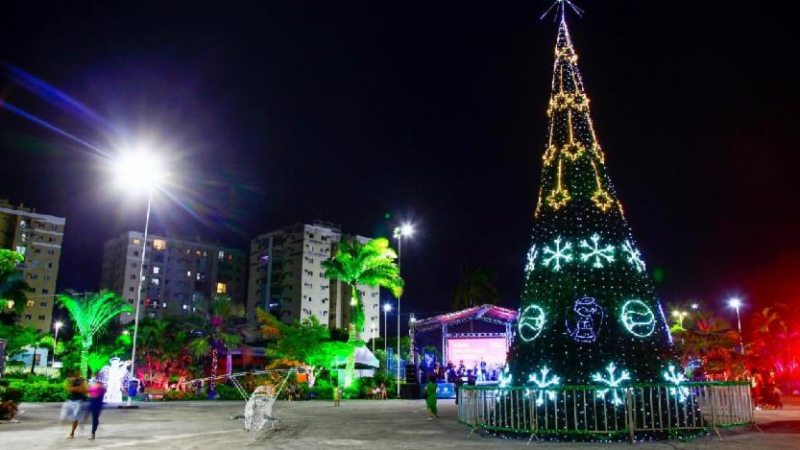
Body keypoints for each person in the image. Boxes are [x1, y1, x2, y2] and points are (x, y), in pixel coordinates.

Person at [61, 371, 87, 439]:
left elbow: (85, 390)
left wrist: (76, 388)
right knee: (63, 416)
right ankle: (79, 422)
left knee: (75, 417)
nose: (78, 374)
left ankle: (72, 433)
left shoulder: (82, 380)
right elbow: (67, 388)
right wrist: (75, 387)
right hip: (70, 401)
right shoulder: (69, 380)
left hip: (79, 401)